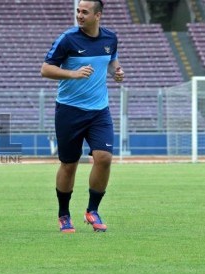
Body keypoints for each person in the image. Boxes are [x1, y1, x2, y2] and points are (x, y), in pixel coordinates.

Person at [40, 0, 124, 233]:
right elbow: (45, 69)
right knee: (69, 164)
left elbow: (112, 59)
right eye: (78, 11)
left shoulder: (110, 38)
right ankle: (64, 215)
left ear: (98, 16)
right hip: (69, 110)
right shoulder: (68, 39)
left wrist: (117, 71)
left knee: (104, 158)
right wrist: (73, 74)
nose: (79, 15)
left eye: (84, 12)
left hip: (99, 111)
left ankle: (92, 210)